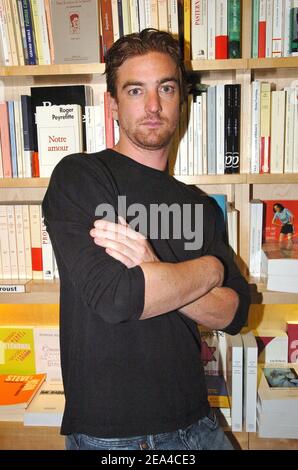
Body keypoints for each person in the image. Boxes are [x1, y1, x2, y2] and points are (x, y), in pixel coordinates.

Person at [42, 29, 250, 451]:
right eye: (136, 90)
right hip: (113, 437)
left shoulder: (200, 205)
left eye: (166, 88)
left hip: (199, 423)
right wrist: (209, 271)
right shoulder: (81, 176)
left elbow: (234, 312)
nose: (153, 106)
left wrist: (154, 270)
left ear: (182, 100)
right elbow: (119, 299)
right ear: (113, 104)